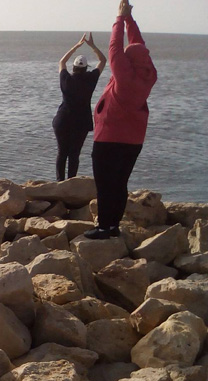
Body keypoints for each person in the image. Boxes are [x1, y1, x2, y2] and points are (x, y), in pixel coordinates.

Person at [85, 0, 157, 239]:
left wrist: (119, 18)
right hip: (134, 139)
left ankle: (104, 227)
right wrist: (129, 19)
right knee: (120, 182)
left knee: (105, 184)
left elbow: (115, 48)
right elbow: (139, 46)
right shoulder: (147, 74)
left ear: (128, 62)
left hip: (110, 138)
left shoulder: (125, 78)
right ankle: (113, 225)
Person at [53, 33, 106, 181]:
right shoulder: (90, 79)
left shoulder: (66, 79)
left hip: (62, 120)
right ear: (86, 68)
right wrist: (92, 46)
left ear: (74, 67)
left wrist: (76, 46)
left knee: (62, 153)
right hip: (81, 122)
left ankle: (59, 182)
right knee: (74, 154)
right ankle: (71, 181)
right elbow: (103, 61)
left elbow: (62, 62)